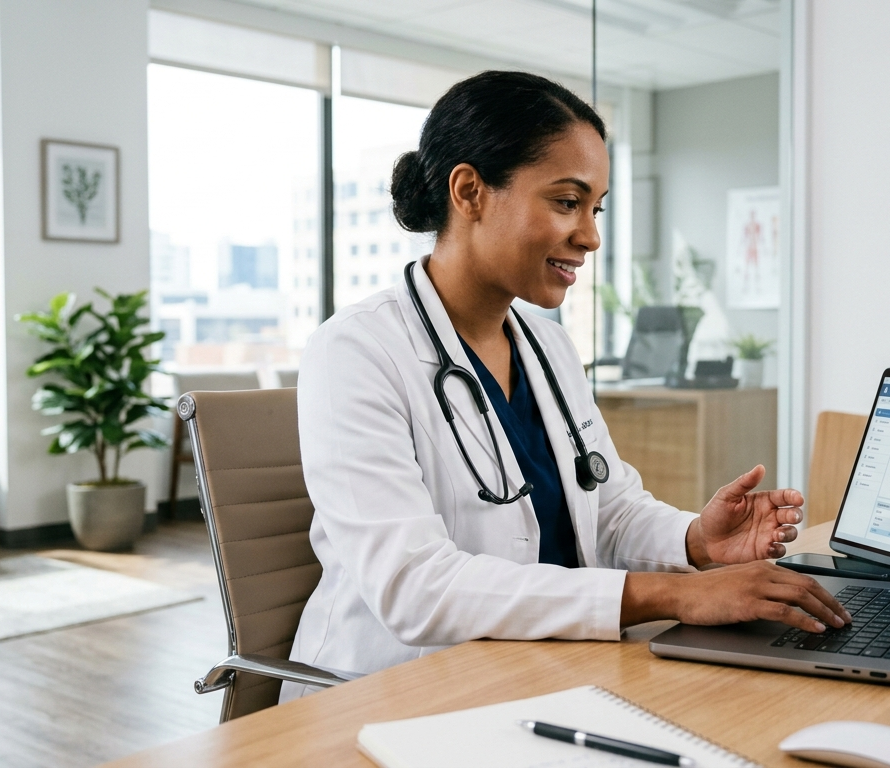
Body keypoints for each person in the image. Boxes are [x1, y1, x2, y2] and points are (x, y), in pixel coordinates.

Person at [282, 71, 849, 701]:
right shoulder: (357, 351)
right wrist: (674, 594)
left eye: (596, 207)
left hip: (537, 673)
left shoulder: (547, 346)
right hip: (389, 693)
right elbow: (415, 588)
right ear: (470, 190)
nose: (591, 236)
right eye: (566, 201)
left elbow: (606, 509)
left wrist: (696, 541)